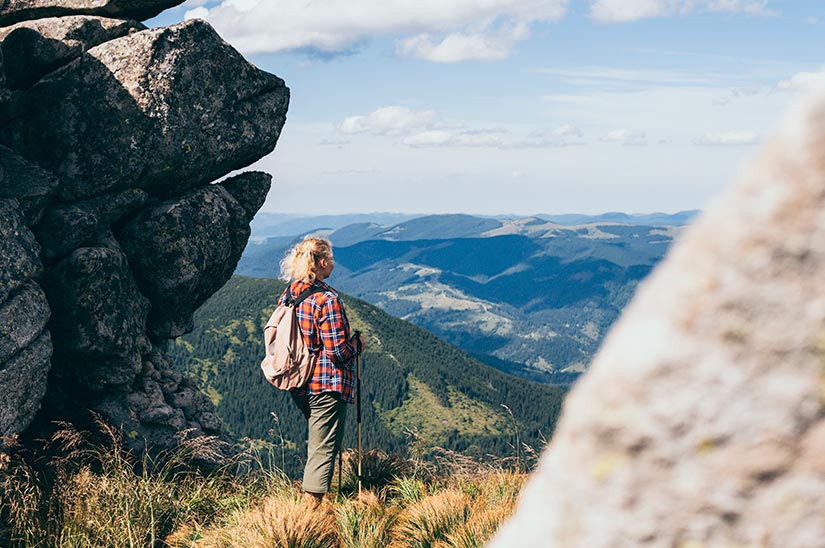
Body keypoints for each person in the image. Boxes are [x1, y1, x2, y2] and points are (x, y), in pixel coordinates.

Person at [277, 237, 363, 509]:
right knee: (323, 448)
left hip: (298, 381)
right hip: (326, 384)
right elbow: (337, 351)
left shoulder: (290, 293)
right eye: (331, 258)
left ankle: (316, 504)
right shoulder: (326, 299)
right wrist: (357, 346)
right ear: (323, 261)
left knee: (319, 445)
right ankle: (308, 514)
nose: (333, 263)